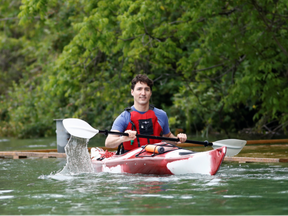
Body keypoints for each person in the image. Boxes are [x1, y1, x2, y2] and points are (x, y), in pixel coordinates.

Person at [105, 74, 187, 152]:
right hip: (132, 161)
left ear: (150, 93)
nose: (143, 93)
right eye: (139, 89)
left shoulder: (161, 115)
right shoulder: (124, 117)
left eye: (147, 89)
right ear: (132, 92)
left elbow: (168, 137)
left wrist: (178, 139)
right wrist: (122, 138)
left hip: (156, 157)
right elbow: (108, 143)